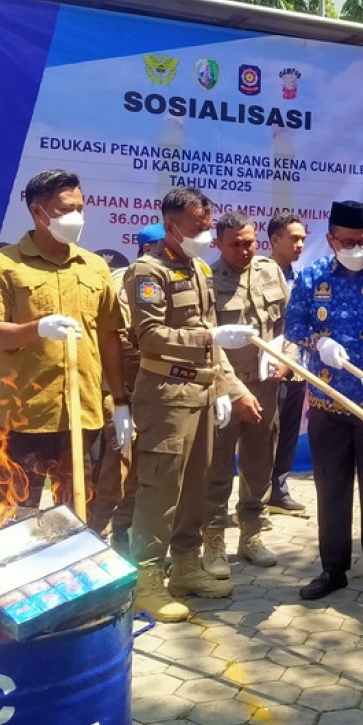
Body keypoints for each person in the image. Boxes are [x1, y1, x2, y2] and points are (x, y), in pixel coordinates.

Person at [125, 188, 257, 621]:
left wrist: (222, 388)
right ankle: (146, 583)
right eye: (198, 227)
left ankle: (185, 568)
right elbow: (150, 336)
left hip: (200, 394)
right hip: (165, 397)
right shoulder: (148, 271)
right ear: (171, 224)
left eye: (207, 225)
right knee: (160, 489)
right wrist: (208, 339)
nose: (205, 234)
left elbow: (210, 337)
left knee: (195, 488)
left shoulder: (197, 268)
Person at [0, 169, 131, 510]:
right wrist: (37, 329)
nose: (75, 217)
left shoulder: (94, 267)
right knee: (15, 518)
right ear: (37, 211)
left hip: (82, 415)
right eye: (64, 210)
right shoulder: (0, 264)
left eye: (80, 208)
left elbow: (108, 336)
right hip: (23, 417)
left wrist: (119, 403)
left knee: (75, 515)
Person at [285, 200, 363, 606]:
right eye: (349, 242)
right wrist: (317, 342)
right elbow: (294, 323)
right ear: (331, 240)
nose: (357, 248)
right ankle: (333, 569)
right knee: (332, 488)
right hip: (328, 401)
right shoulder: (312, 276)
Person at [202, 211, 293, 578]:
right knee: (218, 467)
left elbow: (288, 323)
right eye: (235, 244)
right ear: (219, 244)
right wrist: (235, 392)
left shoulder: (270, 270)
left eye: (250, 242)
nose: (244, 250)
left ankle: (251, 536)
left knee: (259, 463)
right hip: (224, 389)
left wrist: (287, 359)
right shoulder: (208, 280)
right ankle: (213, 543)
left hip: (266, 386)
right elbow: (209, 344)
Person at [87, 223, 164, 551]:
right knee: (116, 468)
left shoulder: (167, 279)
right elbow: (120, 341)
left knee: (140, 470)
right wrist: (120, 399)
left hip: (150, 394)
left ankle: (122, 533)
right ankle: (92, 535)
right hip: (116, 393)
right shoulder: (125, 281)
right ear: (149, 249)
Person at [267, 213, 309, 516]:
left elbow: (302, 325)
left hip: (296, 369)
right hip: (265, 369)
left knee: (289, 432)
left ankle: (278, 491)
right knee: (264, 434)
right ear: (274, 240)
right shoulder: (257, 275)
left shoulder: (303, 278)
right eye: (293, 238)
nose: (300, 244)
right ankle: (254, 498)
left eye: (303, 239)